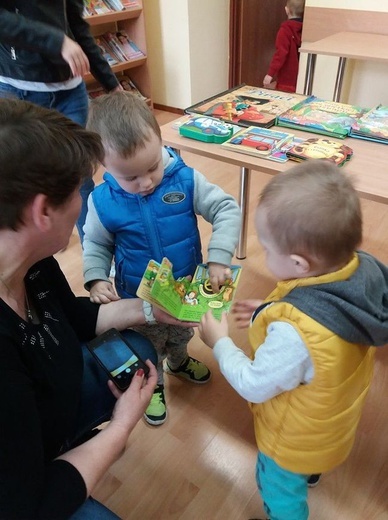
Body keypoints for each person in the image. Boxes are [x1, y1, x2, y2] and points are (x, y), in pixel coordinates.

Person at [0, 97, 196, 519]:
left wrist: (149, 311)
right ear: (42, 211)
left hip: (43, 417)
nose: (85, 201)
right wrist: (122, 426)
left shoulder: (31, 264)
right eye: (79, 190)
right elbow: (27, 505)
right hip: (22, 499)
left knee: (139, 353)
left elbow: (74, 317)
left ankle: (70, 444)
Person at [199, 161, 388, 520]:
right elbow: (317, 310)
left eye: (267, 249)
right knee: (307, 462)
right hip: (331, 423)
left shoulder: (295, 334)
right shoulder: (359, 269)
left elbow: (255, 384)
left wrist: (221, 342)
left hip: (290, 442)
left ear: (301, 264)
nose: (264, 255)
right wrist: (273, 309)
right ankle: (310, 469)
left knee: (279, 491)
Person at [83, 91, 242, 426]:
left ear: (159, 141)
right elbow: (95, 243)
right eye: (130, 177)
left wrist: (218, 258)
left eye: (153, 167)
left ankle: (179, 362)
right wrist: (96, 277)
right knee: (147, 343)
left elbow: (226, 208)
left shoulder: (184, 179)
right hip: (138, 297)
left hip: (185, 288)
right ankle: (152, 381)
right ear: (104, 165)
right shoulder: (102, 202)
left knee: (182, 334)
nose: (145, 183)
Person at [0, 0, 122, 241]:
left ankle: (93, 252)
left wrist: (112, 84)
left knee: (79, 176)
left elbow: (77, 26)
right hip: (20, 92)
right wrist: (56, 41)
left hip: (70, 91)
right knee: (25, 187)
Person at [263, 0, 305, 93]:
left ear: (287, 10)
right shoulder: (305, 29)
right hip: (300, 76)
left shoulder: (285, 30)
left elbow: (280, 54)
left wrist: (270, 74)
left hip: (286, 79)